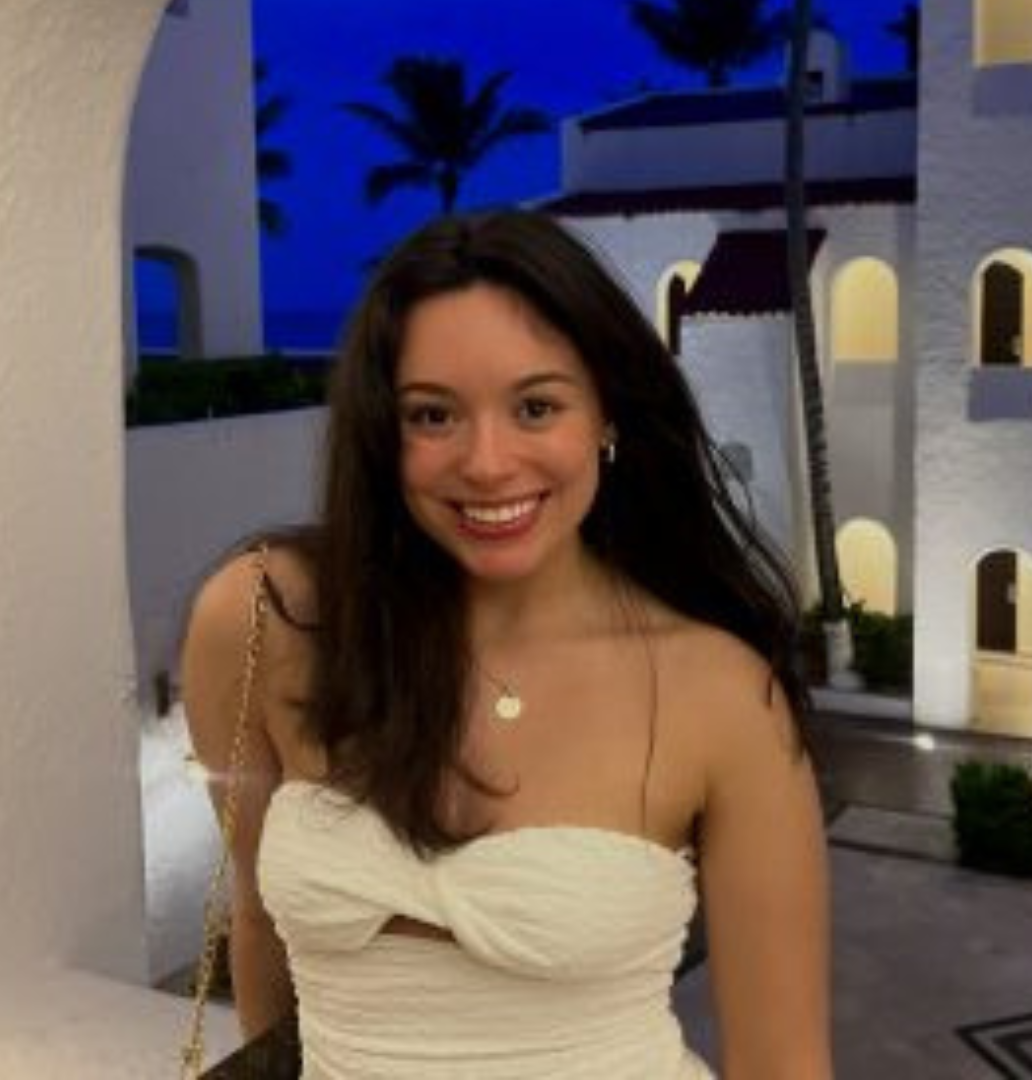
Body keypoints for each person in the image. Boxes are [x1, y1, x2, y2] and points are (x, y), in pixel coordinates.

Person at [182, 208, 832, 1079]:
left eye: (536, 405)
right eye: (432, 415)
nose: (487, 463)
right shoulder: (270, 620)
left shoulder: (720, 692)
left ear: (607, 413)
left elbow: (783, 1063)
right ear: (382, 433)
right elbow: (259, 923)